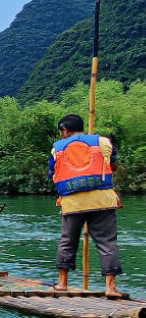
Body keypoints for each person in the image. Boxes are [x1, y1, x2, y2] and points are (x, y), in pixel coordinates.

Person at [49, 114, 123, 297]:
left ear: (65, 131)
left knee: (67, 241)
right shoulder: (103, 142)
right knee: (107, 243)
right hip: (102, 201)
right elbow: (113, 166)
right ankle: (111, 288)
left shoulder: (56, 149)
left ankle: (62, 283)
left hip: (73, 203)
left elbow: (53, 172)